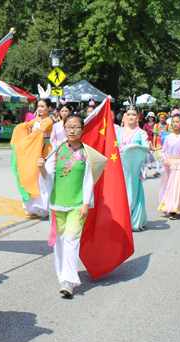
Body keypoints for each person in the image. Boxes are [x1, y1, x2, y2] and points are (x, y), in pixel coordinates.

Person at [38, 114, 107, 297]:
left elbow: (88, 180)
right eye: (68, 127)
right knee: (59, 242)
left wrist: (85, 203)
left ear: (82, 130)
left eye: (76, 127)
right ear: (63, 128)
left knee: (71, 241)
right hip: (57, 204)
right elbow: (48, 177)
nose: (72, 131)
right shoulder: (57, 150)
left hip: (77, 205)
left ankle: (69, 280)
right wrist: (41, 168)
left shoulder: (86, 153)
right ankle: (62, 276)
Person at [11, 97, 54, 217]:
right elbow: (25, 126)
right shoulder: (37, 119)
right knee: (32, 176)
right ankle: (32, 206)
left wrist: (24, 143)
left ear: (49, 108)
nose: (39, 109)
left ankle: (43, 207)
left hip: (45, 150)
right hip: (36, 150)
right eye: (38, 106)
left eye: (42, 106)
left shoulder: (48, 121)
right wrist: (17, 131)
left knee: (42, 179)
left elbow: (38, 133)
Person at [116, 103, 150, 231]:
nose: (131, 117)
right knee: (119, 194)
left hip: (133, 169)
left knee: (131, 193)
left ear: (138, 117)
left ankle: (129, 219)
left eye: (134, 115)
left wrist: (135, 147)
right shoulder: (119, 131)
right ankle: (119, 219)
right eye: (128, 114)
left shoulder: (141, 133)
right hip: (119, 167)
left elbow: (146, 148)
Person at [158, 114, 180, 220]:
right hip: (169, 163)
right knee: (169, 185)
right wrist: (165, 159)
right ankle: (167, 206)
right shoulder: (167, 137)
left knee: (177, 185)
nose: (175, 124)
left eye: (177, 122)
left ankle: (175, 210)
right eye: (173, 122)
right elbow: (163, 152)